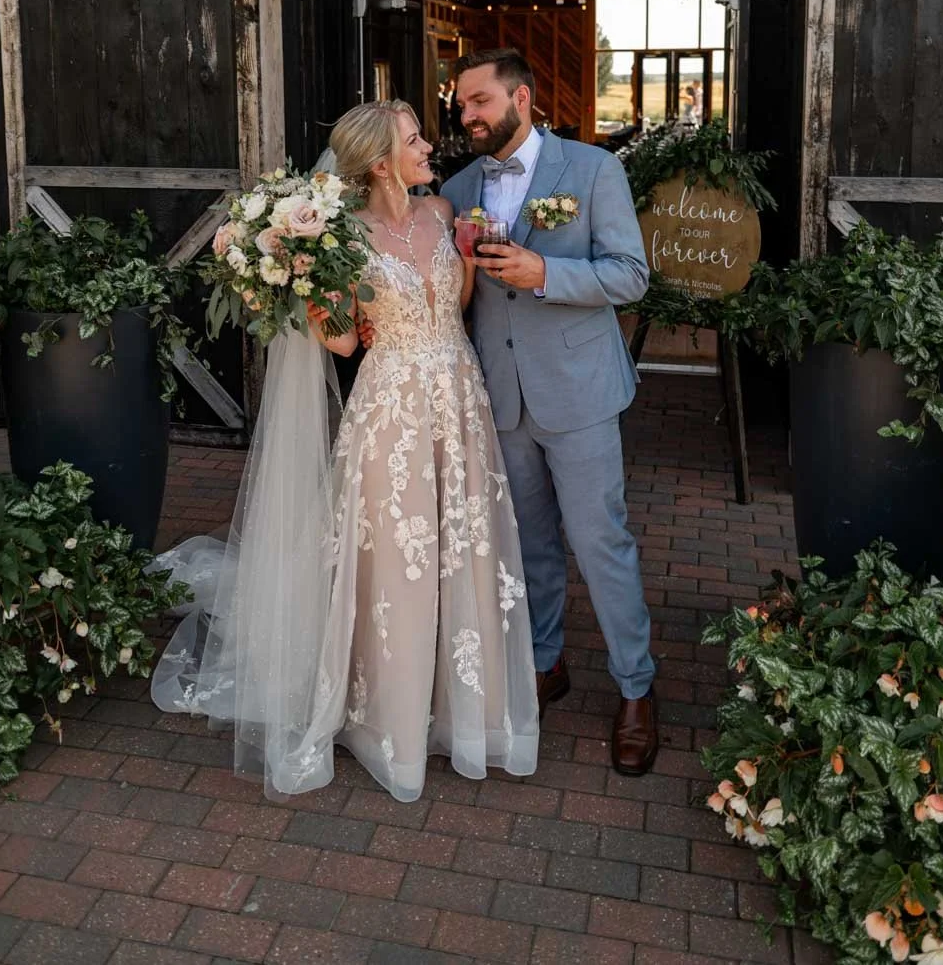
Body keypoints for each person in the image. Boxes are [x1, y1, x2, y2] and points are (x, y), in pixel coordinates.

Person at [151, 100, 539, 802]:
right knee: (398, 560)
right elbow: (340, 341)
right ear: (381, 163)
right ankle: (390, 719)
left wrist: (469, 256)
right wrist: (289, 281)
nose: (428, 146)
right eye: (414, 139)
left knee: (462, 547)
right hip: (392, 410)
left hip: (460, 396)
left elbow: (455, 302)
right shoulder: (344, 238)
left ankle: (463, 709)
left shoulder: (443, 214)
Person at [440, 49, 660, 775]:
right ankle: (545, 661)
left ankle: (636, 688)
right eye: (461, 104)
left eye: (478, 101)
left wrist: (545, 272)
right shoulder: (459, 188)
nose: (467, 115)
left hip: (580, 391)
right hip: (502, 396)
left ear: (521, 99)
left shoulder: (594, 170)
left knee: (601, 544)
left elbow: (630, 276)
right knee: (529, 545)